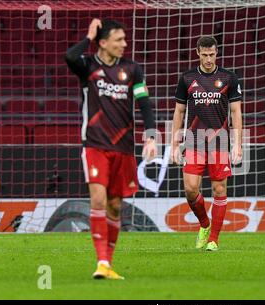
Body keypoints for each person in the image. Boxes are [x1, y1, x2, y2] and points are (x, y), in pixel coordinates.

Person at [65, 18, 157, 279]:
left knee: (115, 206)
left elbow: (145, 104)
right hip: (94, 144)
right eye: (118, 40)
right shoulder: (88, 67)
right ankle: (101, 262)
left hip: (124, 148)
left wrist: (150, 136)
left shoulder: (133, 69)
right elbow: (69, 56)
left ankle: (108, 262)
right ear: (103, 43)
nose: (124, 44)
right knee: (98, 199)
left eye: (125, 39)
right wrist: (89, 36)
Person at [171, 36, 243, 251]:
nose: (209, 59)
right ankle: (204, 224)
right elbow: (179, 111)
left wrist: (238, 144)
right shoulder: (187, 78)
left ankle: (213, 239)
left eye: (212, 55)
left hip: (220, 141)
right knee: (191, 190)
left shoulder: (229, 77)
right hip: (194, 141)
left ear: (217, 53)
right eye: (204, 55)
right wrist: (175, 144)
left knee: (219, 189)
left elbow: (236, 111)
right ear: (197, 53)